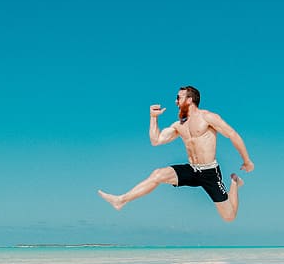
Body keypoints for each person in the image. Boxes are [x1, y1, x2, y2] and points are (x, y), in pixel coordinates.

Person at [98, 85, 254, 222]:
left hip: (210, 172)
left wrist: (247, 161)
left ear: (189, 100)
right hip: (192, 170)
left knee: (229, 217)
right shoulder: (179, 125)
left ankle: (234, 183)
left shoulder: (208, 117)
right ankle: (121, 200)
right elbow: (156, 140)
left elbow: (232, 135)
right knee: (158, 174)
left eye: (178, 98)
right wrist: (153, 118)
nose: (175, 101)